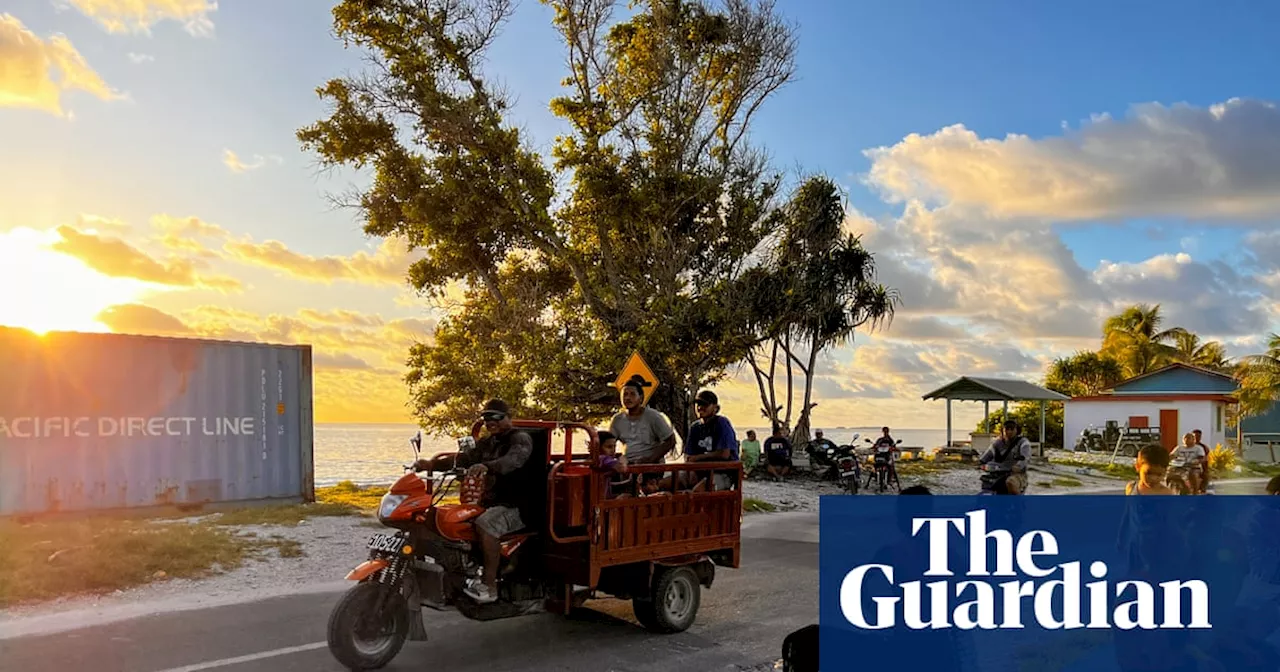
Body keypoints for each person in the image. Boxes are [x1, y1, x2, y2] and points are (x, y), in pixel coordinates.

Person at [454, 399, 534, 604]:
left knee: (486, 524)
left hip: (519, 505)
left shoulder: (520, 439)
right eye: (486, 417)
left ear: (508, 417)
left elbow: (513, 460)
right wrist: (430, 463)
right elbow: (465, 459)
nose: (490, 421)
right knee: (454, 520)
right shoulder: (488, 442)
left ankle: (490, 586)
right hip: (492, 502)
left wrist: (487, 466)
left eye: (495, 417)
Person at [609, 377, 677, 465]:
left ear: (641, 398)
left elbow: (670, 440)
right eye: (625, 394)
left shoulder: (653, 416)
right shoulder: (617, 419)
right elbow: (608, 442)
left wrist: (650, 459)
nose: (628, 398)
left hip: (651, 465)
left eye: (632, 394)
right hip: (628, 465)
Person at [683, 390, 740, 491]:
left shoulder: (721, 423)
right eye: (698, 404)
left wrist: (697, 458)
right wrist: (692, 466)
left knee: (698, 491)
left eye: (705, 404)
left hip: (724, 473)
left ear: (715, 408)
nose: (700, 407)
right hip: (700, 471)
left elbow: (724, 454)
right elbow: (688, 455)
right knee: (667, 483)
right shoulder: (695, 427)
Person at [977, 420, 1030, 495]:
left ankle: (1019, 504)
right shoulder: (997, 443)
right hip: (998, 473)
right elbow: (987, 455)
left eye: (1012, 429)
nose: (1009, 431)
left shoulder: (1023, 442)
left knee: (1010, 482)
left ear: (1017, 430)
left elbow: (1025, 457)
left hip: (1016, 474)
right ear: (1002, 431)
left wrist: (1019, 466)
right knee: (986, 482)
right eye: (1007, 429)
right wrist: (980, 462)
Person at [593, 430, 630, 499]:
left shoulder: (594, 459)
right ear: (597, 447)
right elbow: (622, 468)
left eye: (614, 447)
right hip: (599, 501)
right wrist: (623, 460)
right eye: (609, 447)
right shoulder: (603, 458)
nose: (613, 450)